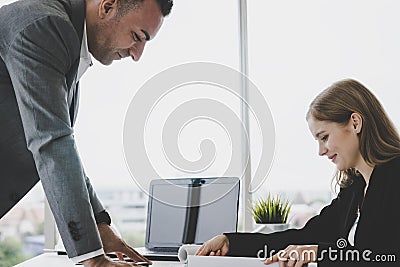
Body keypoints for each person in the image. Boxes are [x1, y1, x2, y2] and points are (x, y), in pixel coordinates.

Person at [0, 0, 172, 266]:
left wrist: (100, 225)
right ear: (107, 6)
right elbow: (53, 143)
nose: (137, 54)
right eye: (137, 37)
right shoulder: (45, 26)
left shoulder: (65, 39)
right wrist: (93, 258)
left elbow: (63, 145)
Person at [196, 79, 400, 266]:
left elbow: (387, 256)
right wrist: (231, 242)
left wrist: (320, 253)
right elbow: (306, 236)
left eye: (325, 137)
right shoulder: (354, 190)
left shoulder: (394, 175)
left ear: (355, 123)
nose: (321, 151)